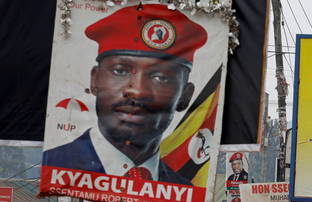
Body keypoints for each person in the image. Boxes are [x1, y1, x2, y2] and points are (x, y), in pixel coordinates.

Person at [43, 4, 208, 185]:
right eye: (120, 71)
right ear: (95, 80)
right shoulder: (52, 167)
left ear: (185, 96)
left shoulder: (184, 191)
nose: (137, 91)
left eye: (160, 78)